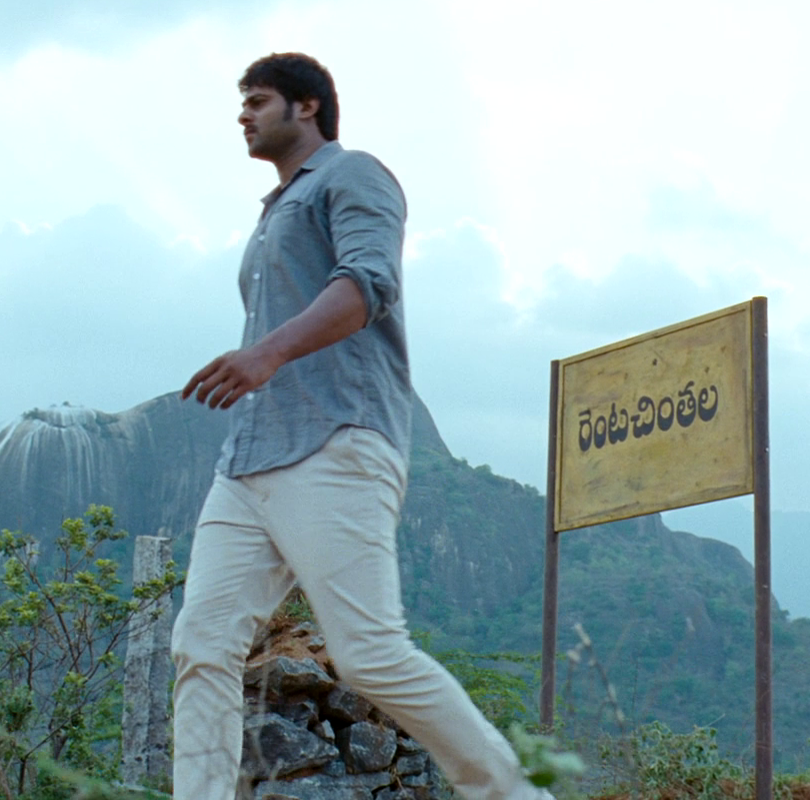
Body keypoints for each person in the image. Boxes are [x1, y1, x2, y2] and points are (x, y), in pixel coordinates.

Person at [172, 52, 553, 800]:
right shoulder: (272, 212)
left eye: (257, 100)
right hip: (248, 459)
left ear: (307, 105)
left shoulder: (354, 175)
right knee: (202, 644)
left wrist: (266, 353)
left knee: (370, 654)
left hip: (334, 440)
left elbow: (367, 284)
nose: (243, 115)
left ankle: (514, 793)